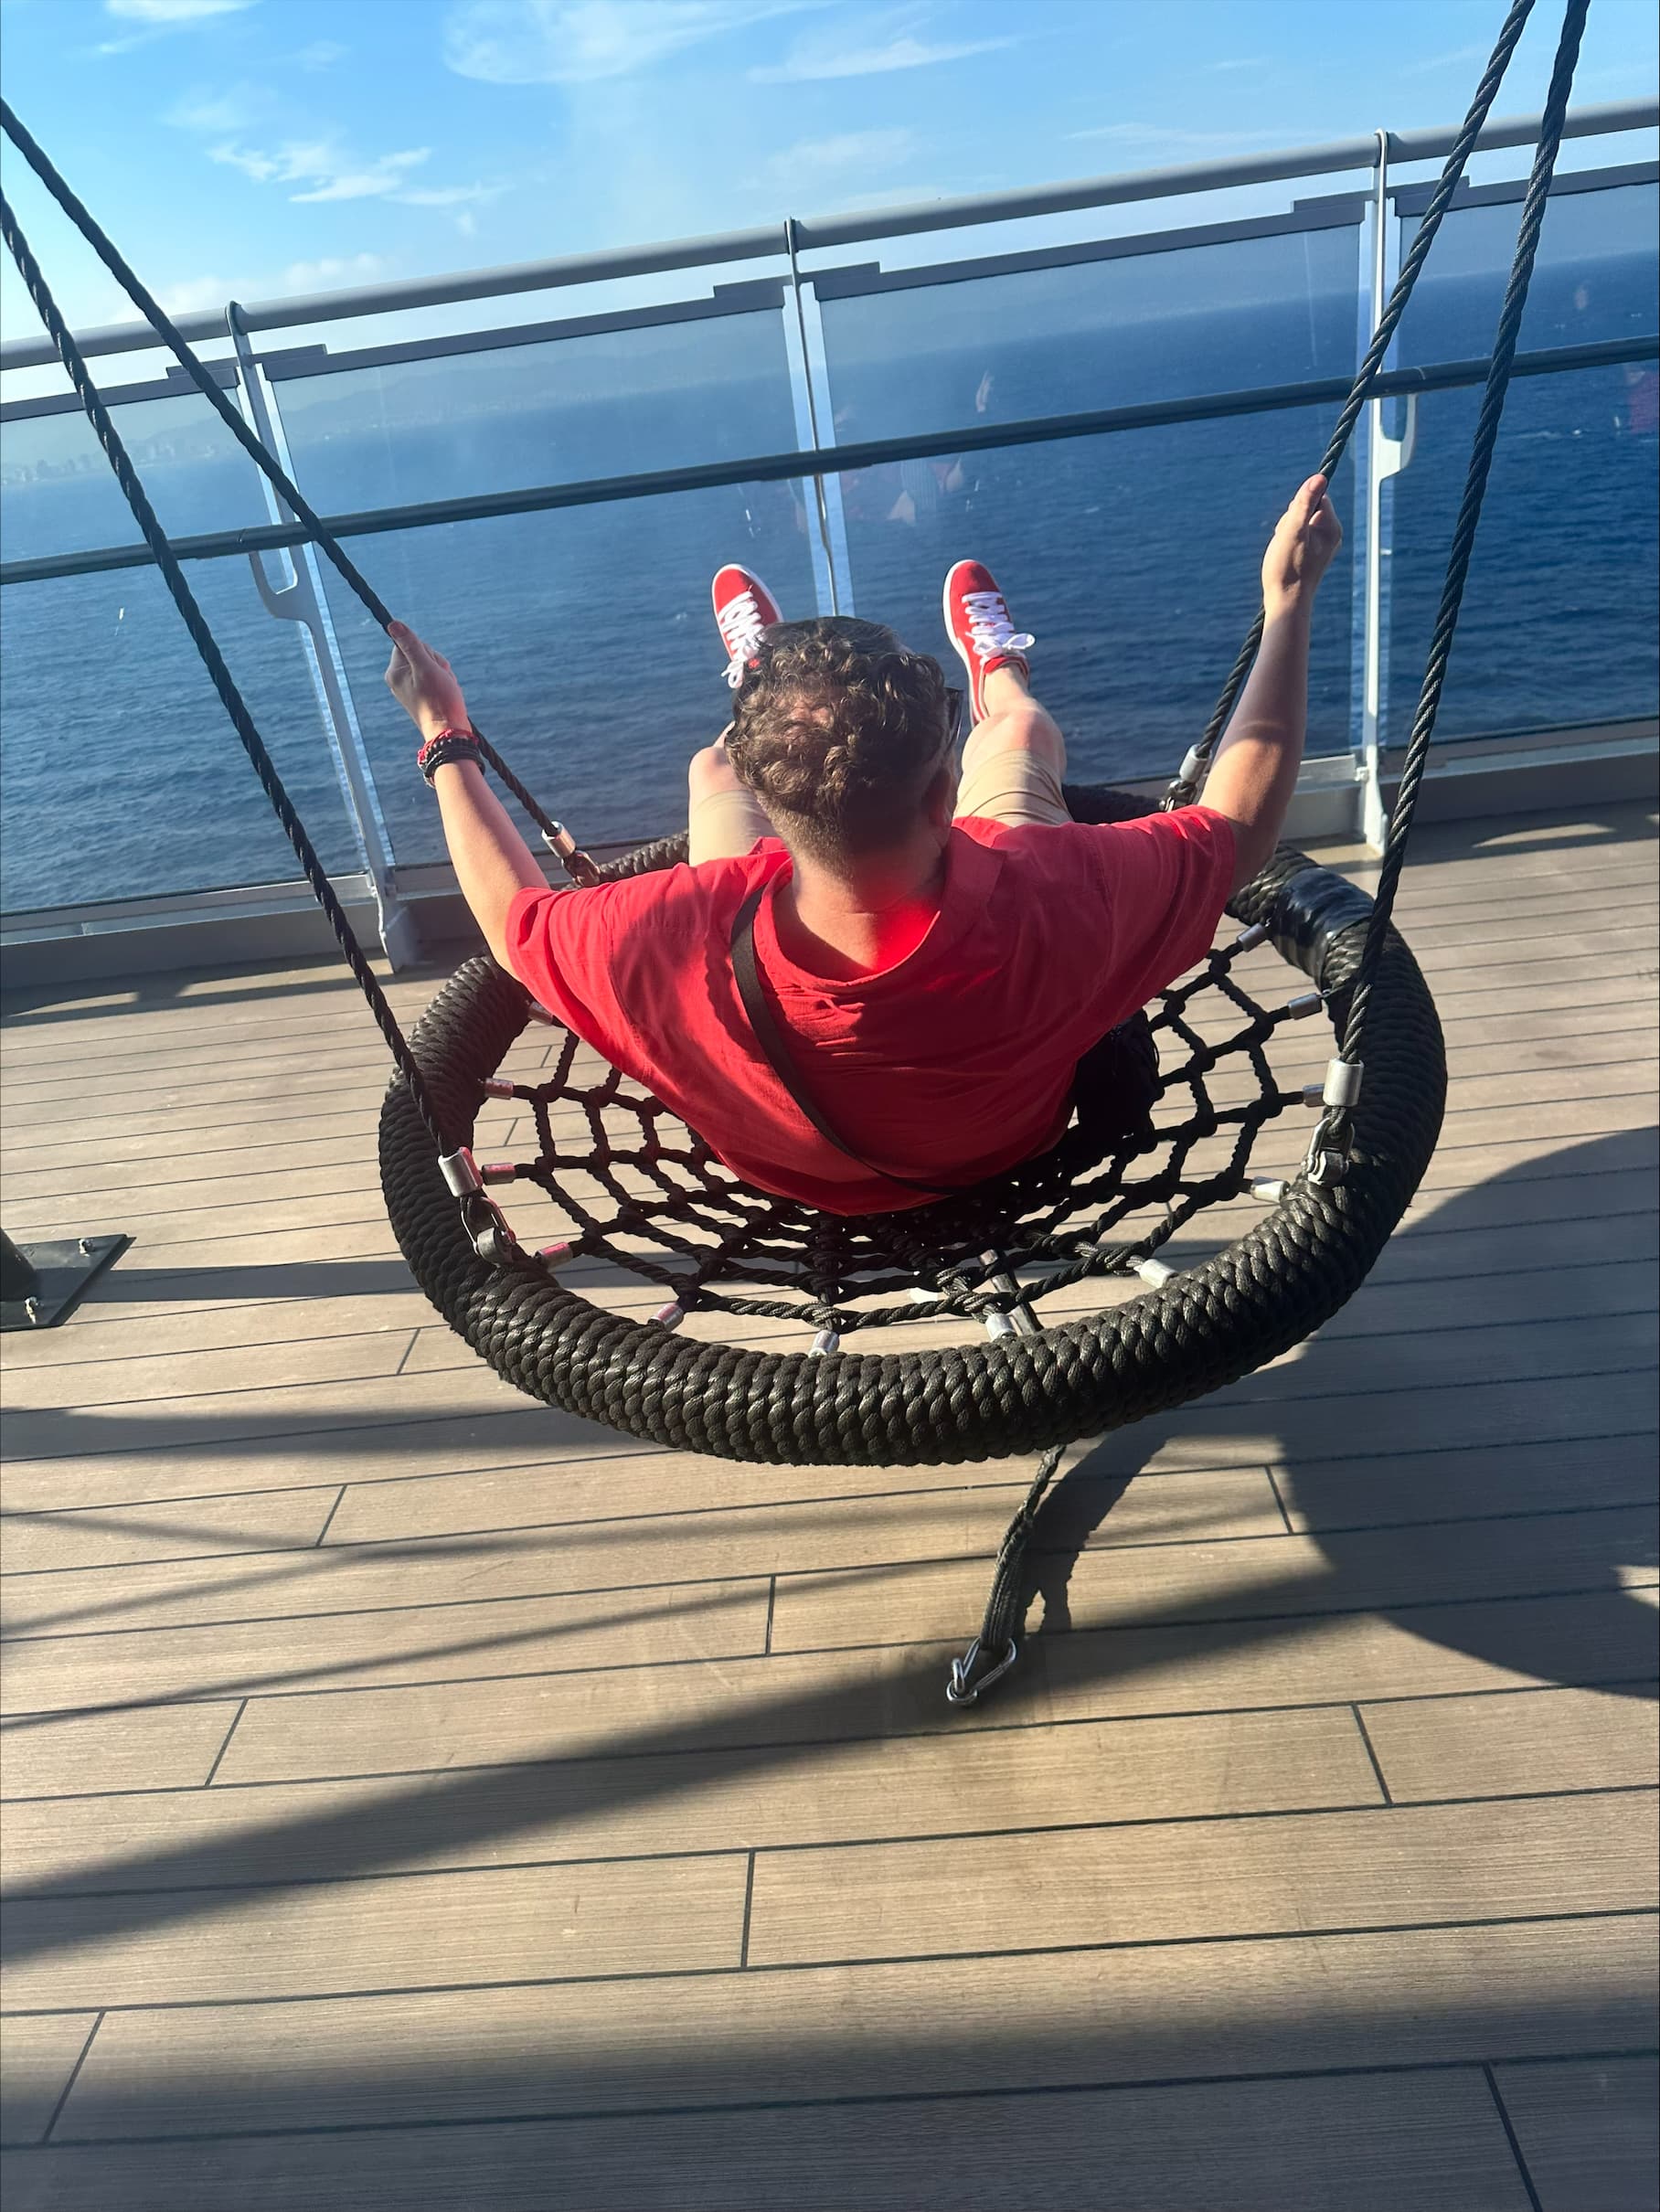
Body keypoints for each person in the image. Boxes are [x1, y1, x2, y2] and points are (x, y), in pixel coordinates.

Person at [385, 474, 1341, 1215]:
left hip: (784, 1163)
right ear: (943, 792)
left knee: (704, 774)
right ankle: (996, 678)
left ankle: (765, 685)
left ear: (776, 806)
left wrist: (443, 730)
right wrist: (1287, 603)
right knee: (1020, 739)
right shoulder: (1057, 891)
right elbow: (1237, 825)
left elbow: (513, 922)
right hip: (1006, 1142)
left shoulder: (666, 928)